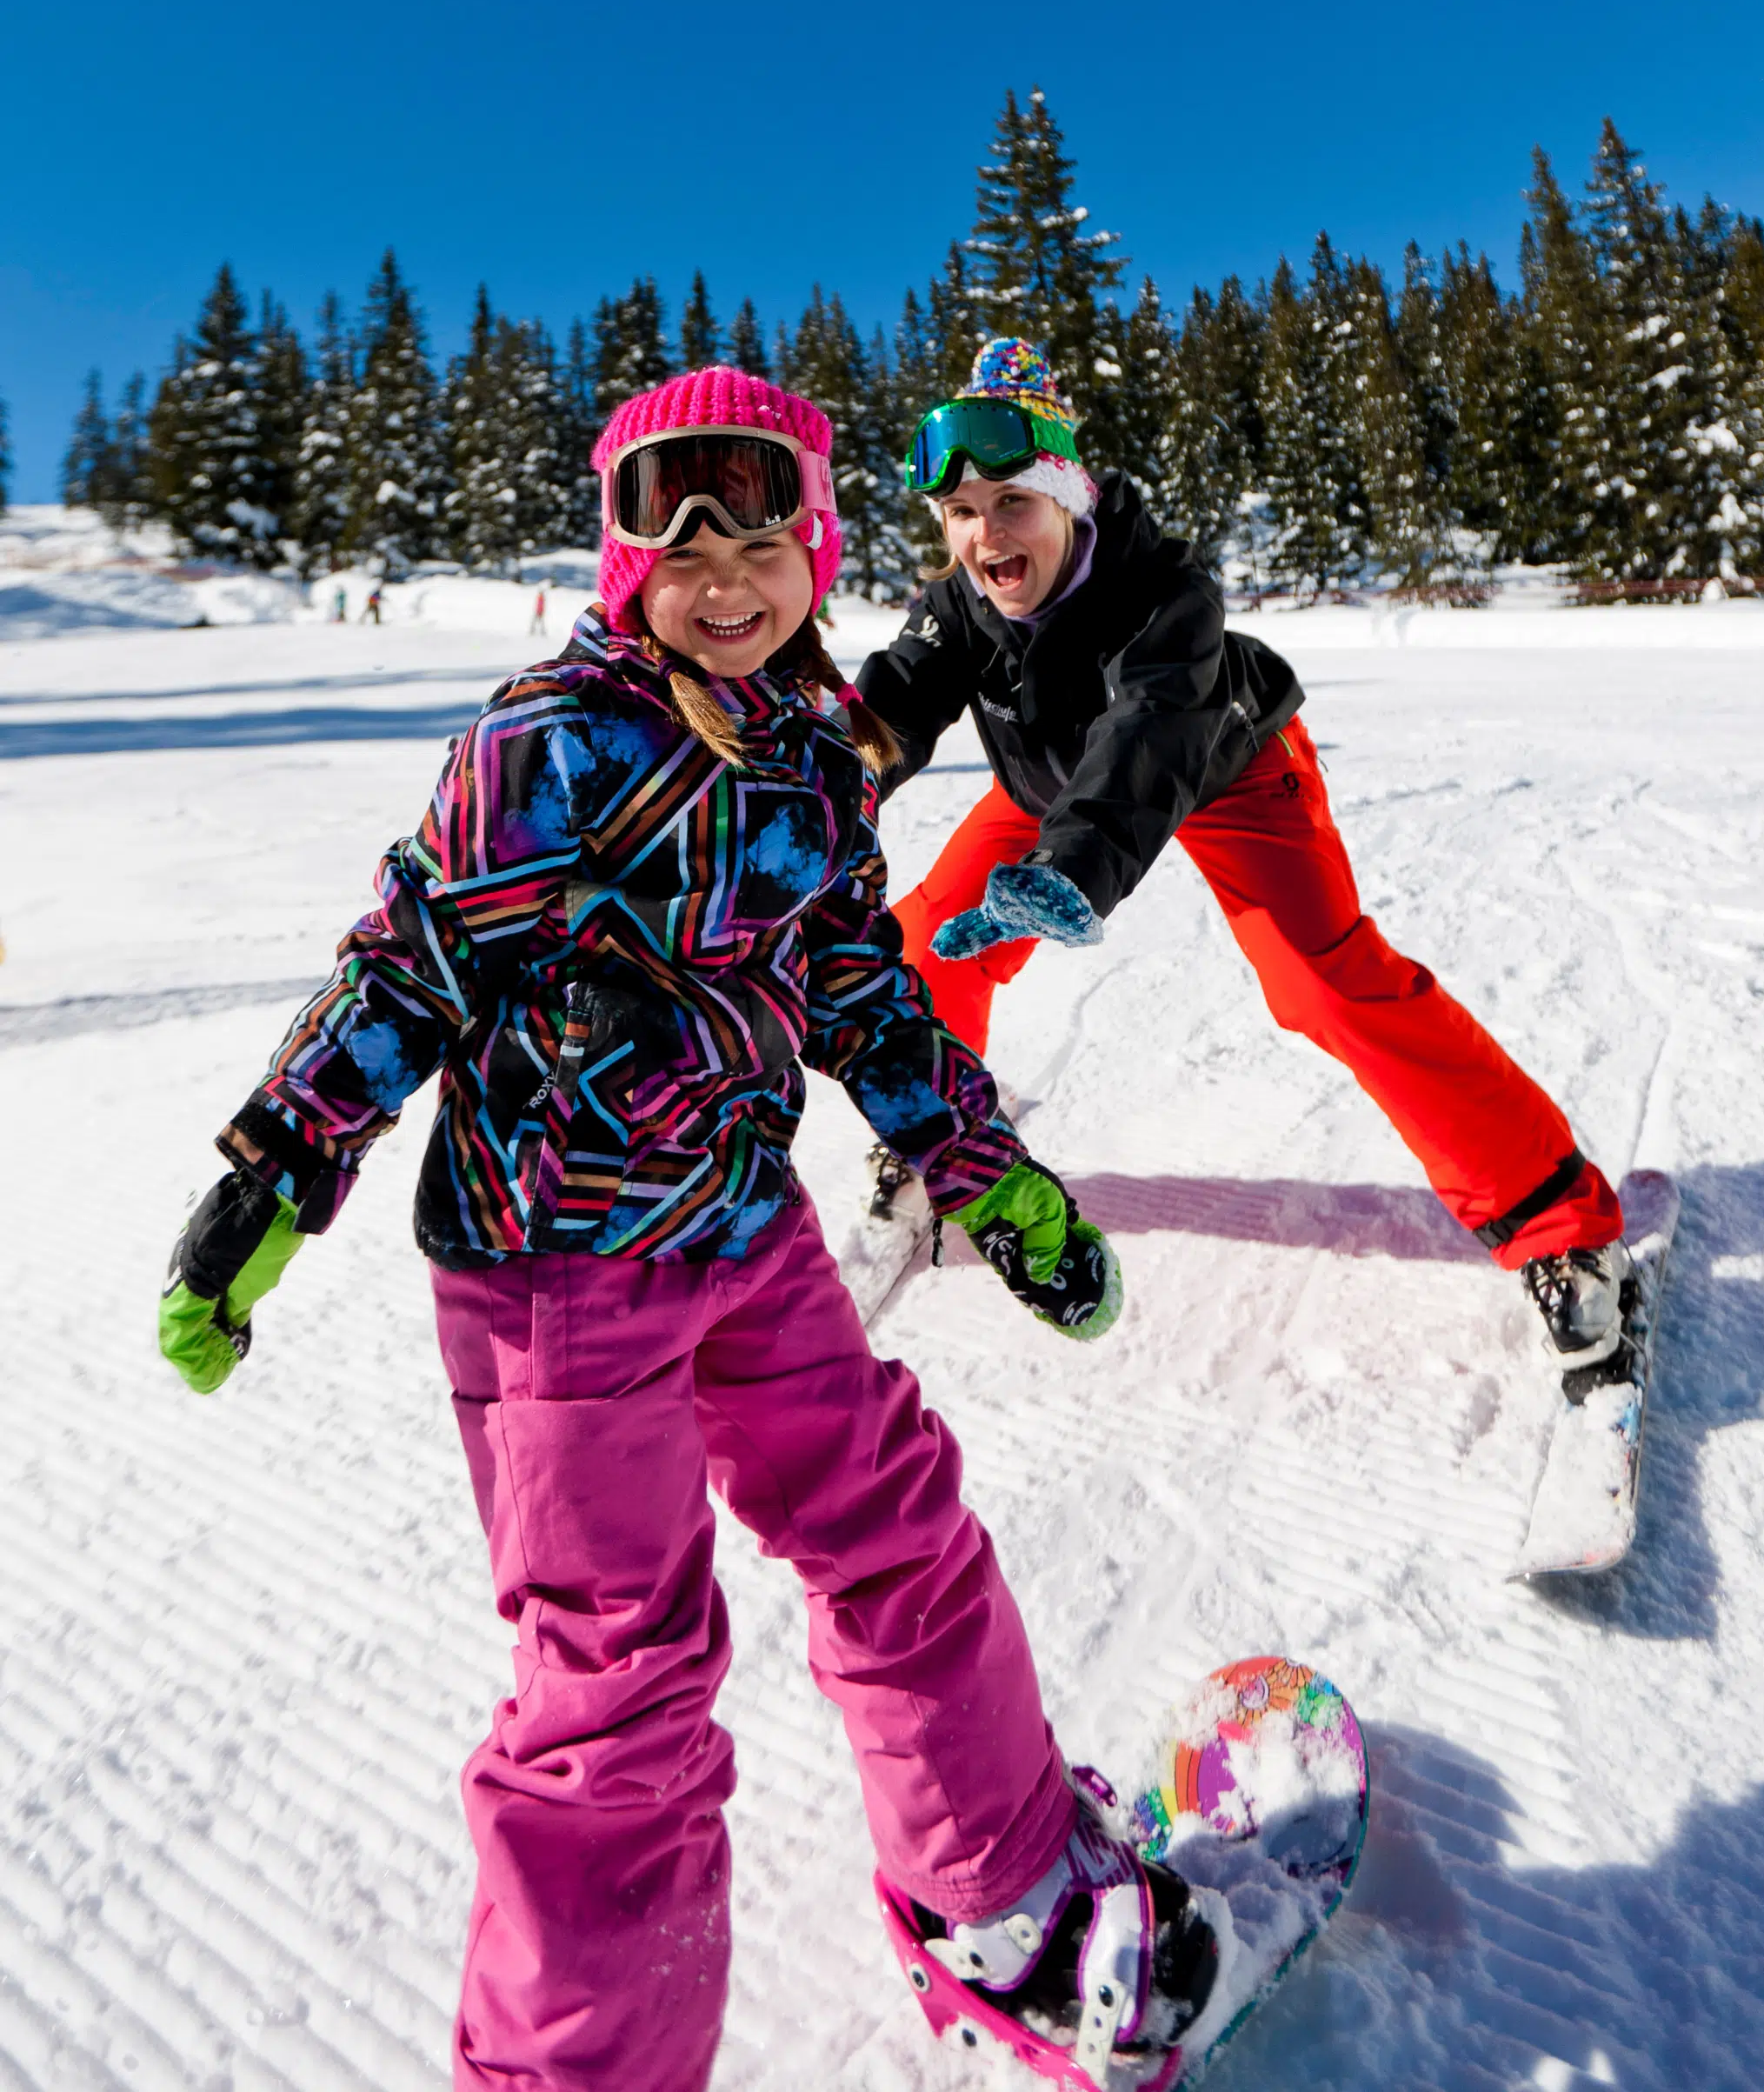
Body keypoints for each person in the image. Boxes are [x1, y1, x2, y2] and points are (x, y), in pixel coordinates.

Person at [156, 366, 1213, 2092]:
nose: (720, 567)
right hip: (552, 1284)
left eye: (757, 522)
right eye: (672, 520)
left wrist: (986, 1168)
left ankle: (999, 1889)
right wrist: (280, 1162)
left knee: (897, 1530)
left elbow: (865, 993)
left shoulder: (812, 757)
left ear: (818, 544)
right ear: (619, 548)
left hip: (742, 1231)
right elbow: (406, 960)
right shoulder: (540, 744)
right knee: (618, 1694)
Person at [856, 337, 1632, 1374]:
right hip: (1044, 786)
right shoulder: (961, 596)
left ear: (1064, 494)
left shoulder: (1160, 585)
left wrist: (1072, 867)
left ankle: (1559, 1224)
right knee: (922, 947)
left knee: (1327, 981)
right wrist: (809, 783)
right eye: (959, 514)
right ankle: (936, 1138)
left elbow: (1151, 733)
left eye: (1009, 502)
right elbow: (893, 699)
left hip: (1226, 765)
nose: (984, 533)